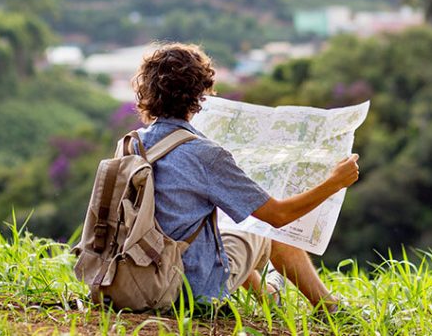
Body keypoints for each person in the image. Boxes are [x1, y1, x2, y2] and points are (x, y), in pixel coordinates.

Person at [131, 42, 359, 312]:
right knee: (267, 229)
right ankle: (329, 307)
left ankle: (269, 296)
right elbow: (278, 216)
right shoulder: (204, 154)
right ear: (199, 95)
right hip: (186, 289)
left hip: (137, 276)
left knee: (230, 228)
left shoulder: (133, 144)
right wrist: (335, 182)